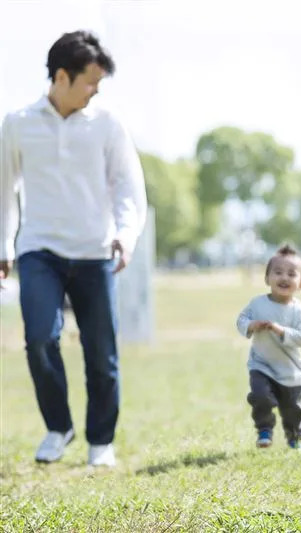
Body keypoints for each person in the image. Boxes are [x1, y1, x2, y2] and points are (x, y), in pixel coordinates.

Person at [0, 30, 147, 467]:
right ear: (61, 76)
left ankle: (100, 442)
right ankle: (58, 427)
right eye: (89, 82)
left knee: (101, 354)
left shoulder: (107, 123)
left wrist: (126, 232)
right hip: (39, 251)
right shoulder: (18, 123)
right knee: (40, 340)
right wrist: (3, 245)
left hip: (95, 252)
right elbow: (5, 190)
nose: (95, 91)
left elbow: (127, 184)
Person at [236, 244, 301, 450]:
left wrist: (280, 330)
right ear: (267, 278)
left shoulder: (300, 311)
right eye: (277, 272)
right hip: (261, 364)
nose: (284, 278)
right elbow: (242, 319)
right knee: (260, 396)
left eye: (291, 274)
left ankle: (294, 436)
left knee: (292, 409)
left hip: (291, 371)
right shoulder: (257, 304)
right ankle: (264, 430)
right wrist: (250, 325)